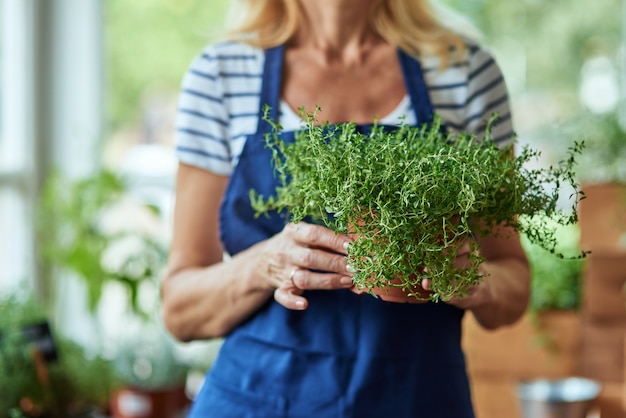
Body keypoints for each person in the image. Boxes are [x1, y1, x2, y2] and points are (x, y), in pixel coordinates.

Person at [161, 0, 530, 416]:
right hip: (259, 401)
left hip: (418, 399)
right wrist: (266, 264)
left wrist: (473, 279)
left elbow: (513, 281)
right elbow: (180, 310)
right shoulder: (222, 74)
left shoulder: (462, 72)